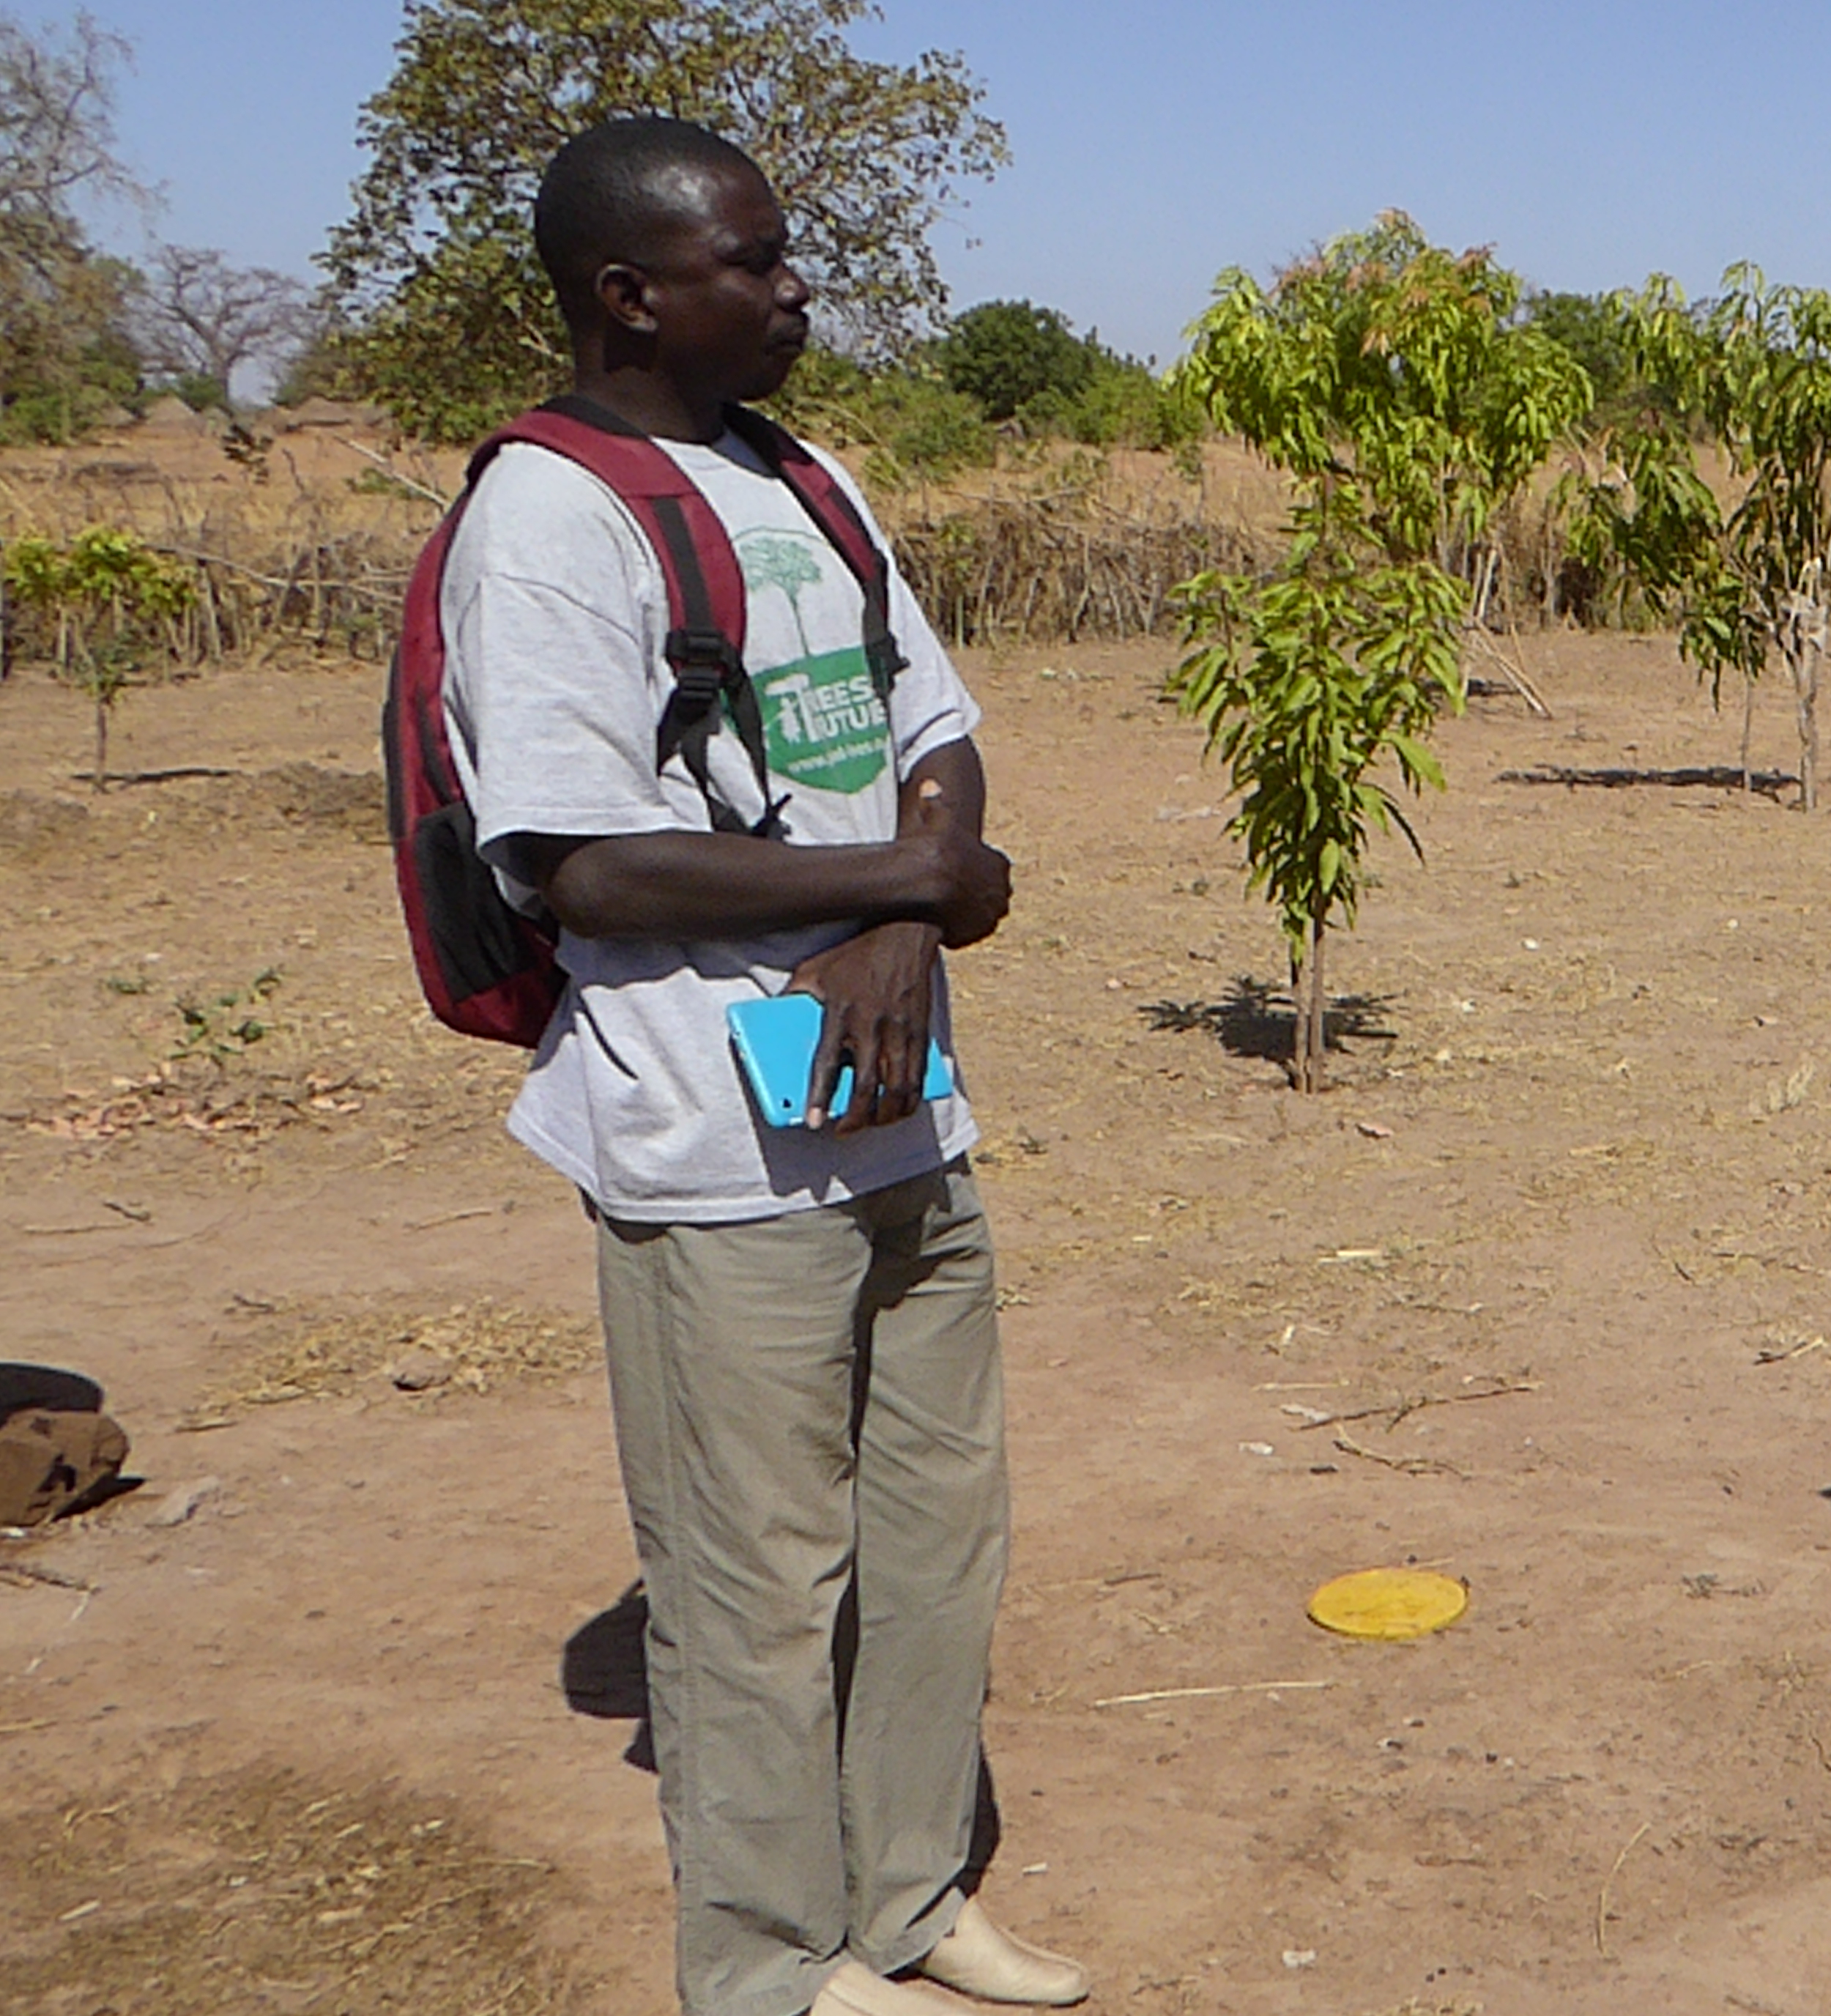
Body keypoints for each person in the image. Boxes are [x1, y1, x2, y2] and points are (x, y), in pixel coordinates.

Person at [444, 116, 1080, 2016]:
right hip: (711, 1129)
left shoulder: (808, 479)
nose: (799, 286)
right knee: (751, 1583)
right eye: (756, 260)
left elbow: (930, 721)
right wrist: (910, 875)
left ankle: (904, 1901)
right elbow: (580, 857)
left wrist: (905, 912)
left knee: (933, 1532)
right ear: (631, 294)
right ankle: (770, 1968)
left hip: (892, 1102)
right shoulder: (549, 518)